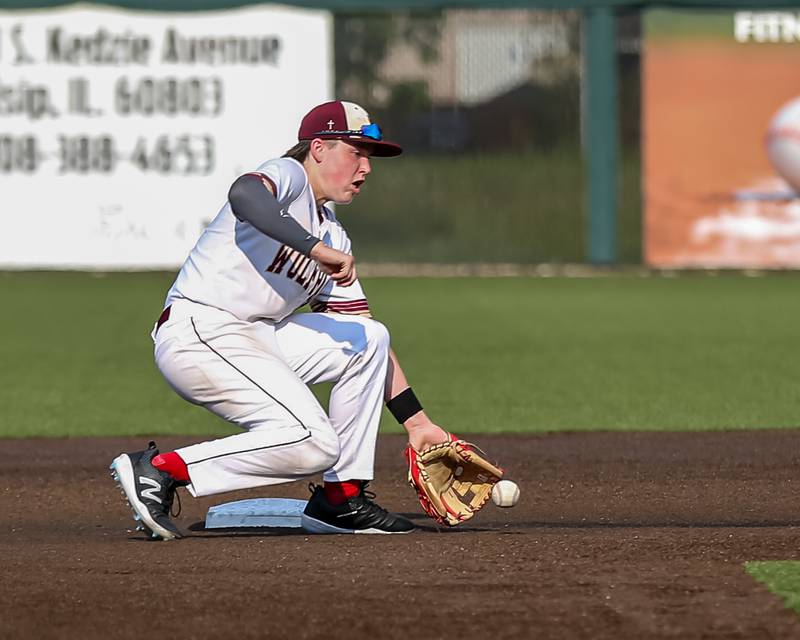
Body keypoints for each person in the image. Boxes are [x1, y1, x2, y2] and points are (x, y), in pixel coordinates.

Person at [110, 100, 449, 539]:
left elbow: (366, 340)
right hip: (200, 330)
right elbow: (244, 195)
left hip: (253, 338)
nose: (366, 168)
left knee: (368, 338)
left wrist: (417, 423)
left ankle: (340, 500)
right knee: (315, 443)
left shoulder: (335, 234)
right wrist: (312, 247)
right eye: (357, 152)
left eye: (370, 157)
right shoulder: (290, 177)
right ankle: (161, 470)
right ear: (321, 147)